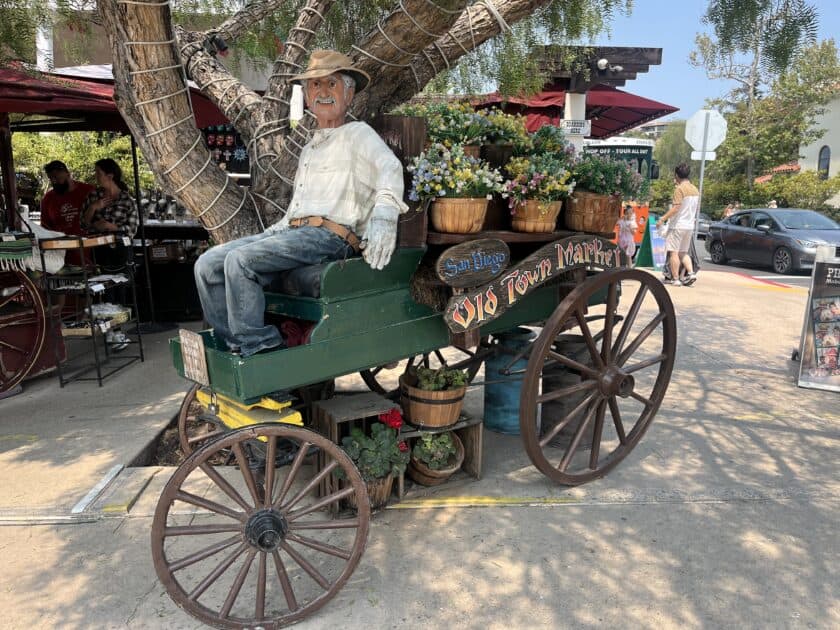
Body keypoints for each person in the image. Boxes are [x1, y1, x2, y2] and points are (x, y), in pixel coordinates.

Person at [193, 50, 408, 357]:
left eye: (332, 84)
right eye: (315, 85)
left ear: (349, 94)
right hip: (296, 233)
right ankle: (233, 344)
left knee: (239, 261)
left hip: (331, 237)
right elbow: (296, 210)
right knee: (207, 265)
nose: (323, 92)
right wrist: (270, 234)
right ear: (307, 96)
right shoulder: (309, 149)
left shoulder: (358, 134)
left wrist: (385, 213)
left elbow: (389, 167)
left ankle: (261, 348)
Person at [40, 161, 96, 266]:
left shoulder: (88, 191)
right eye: (51, 178)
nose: (54, 181)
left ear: (67, 173)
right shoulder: (48, 198)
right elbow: (45, 228)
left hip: (87, 252)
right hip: (60, 256)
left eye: (56, 177)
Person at [657, 163, 699, 286]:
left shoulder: (679, 189)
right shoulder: (695, 189)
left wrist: (662, 219)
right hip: (689, 226)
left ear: (676, 175)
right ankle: (691, 273)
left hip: (678, 225)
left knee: (673, 252)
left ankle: (675, 279)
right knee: (683, 252)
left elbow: (676, 208)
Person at [81, 158, 139, 238]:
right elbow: (83, 225)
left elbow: (132, 230)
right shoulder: (93, 196)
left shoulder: (127, 201)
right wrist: (92, 208)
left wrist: (112, 227)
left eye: (98, 173)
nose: (95, 176)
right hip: (96, 243)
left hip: (119, 243)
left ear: (110, 176)